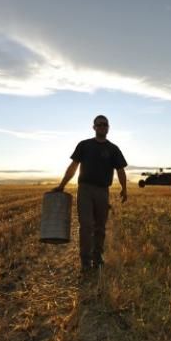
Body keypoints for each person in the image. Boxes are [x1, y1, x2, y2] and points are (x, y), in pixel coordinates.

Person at [53, 115, 128, 273]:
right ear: (93, 127)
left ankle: (97, 257)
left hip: (103, 191)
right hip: (85, 190)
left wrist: (124, 188)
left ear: (108, 127)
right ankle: (85, 260)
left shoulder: (113, 149)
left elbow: (120, 170)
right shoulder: (84, 145)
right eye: (99, 124)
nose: (102, 127)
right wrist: (62, 185)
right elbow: (73, 166)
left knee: (100, 227)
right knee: (86, 226)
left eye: (105, 124)